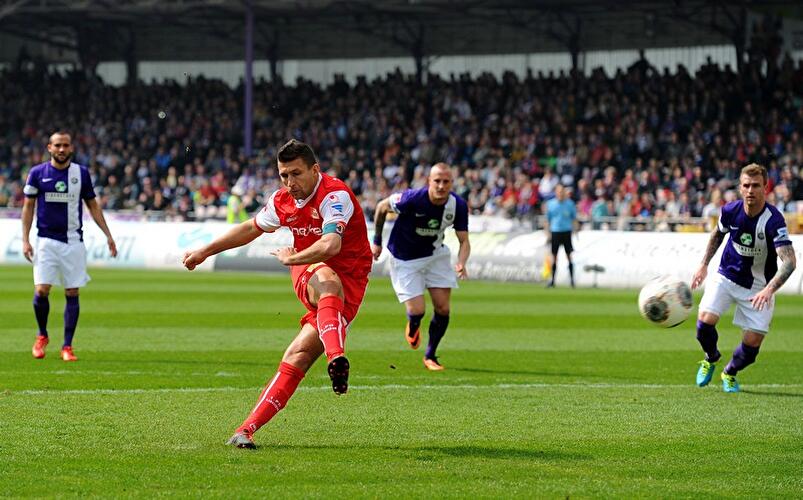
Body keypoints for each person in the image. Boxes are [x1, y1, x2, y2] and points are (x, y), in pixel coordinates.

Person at [182, 139, 372, 448]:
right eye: (283, 175)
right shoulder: (282, 200)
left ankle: (245, 430)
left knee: (298, 355)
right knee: (327, 278)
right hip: (313, 272)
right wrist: (205, 251)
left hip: (350, 281)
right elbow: (250, 228)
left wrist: (290, 258)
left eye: (296, 174)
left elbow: (331, 245)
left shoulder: (335, 195)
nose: (289, 183)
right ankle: (337, 357)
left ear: (315, 169)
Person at [691, 163, 796, 393]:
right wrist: (703, 265)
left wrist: (769, 289)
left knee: (752, 346)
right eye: (746, 185)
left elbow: (789, 261)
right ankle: (711, 357)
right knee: (703, 324)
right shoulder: (730, 211)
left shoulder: (774, 220)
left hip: (759, 287)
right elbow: (717, 234)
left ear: (765, 188)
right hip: (727, 276)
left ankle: (729, 372)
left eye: (756, 186)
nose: (751, 190)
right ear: (740, 188)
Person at [21, 131, 118, 362]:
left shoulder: (81, 174)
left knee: (72, 291)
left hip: (73, 241)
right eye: (57, 145)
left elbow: (93, 206)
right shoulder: (37, 173)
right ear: (49, 147)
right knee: (41, 290)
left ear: (71, 148)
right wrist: (25, 239)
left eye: (65, 145)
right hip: (45, 240)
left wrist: (108, 235)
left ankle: (67, 346)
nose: (61, 149)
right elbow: (28, 207)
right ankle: (42, 335)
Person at [372, 162, 470, 371]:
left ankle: (430, 356)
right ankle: (414, 324)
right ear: (429, 182)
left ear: (452, 183)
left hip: (435, 255)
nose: (441, 186)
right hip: (404, 258)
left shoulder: (457, 205)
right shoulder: (412, 198)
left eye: (446, 181)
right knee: (418, 310)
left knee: (443, 308)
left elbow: (464, 240)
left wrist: (462, 261)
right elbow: (381, 207)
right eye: (437, 181)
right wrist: (377, 240)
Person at [545, 184, 577, 287]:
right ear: (556, 192)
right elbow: (547, 219)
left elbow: (574, 218)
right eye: (558, 191)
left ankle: (572, 280)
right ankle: (553, 280)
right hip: (555, 232)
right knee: (554, 256)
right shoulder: (551, 204)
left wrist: (575, 230)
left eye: (562, 191)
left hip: (566, 231)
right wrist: (547, 232)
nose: (560, 193)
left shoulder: (570, 204)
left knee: (569, 256)